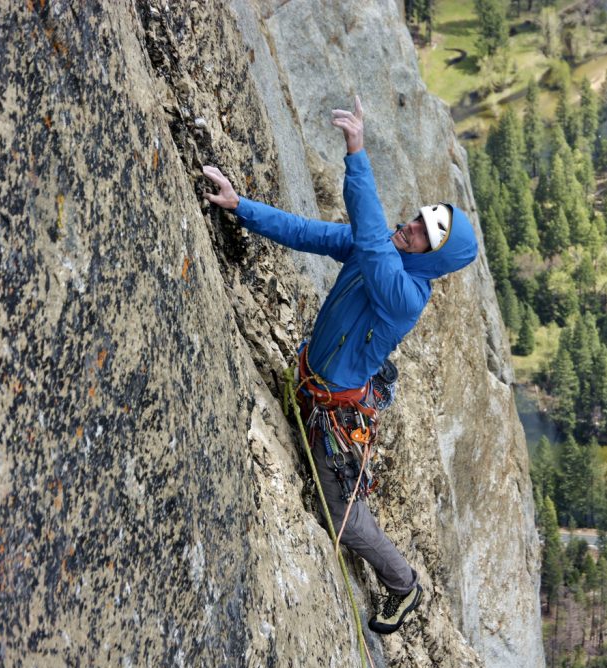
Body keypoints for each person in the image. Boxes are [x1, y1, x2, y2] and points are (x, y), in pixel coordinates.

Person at [201, 96, 478, 634]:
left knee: (344, 519)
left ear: (433, 258)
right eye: (419, 218)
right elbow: (307, 232)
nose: (411, 225)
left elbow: (372, 242)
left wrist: (357, 153)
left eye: (425, 233)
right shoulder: (379, 251)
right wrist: (241, 206)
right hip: (312, 385)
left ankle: (403, 585)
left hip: (333, 409)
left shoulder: (404, 294)